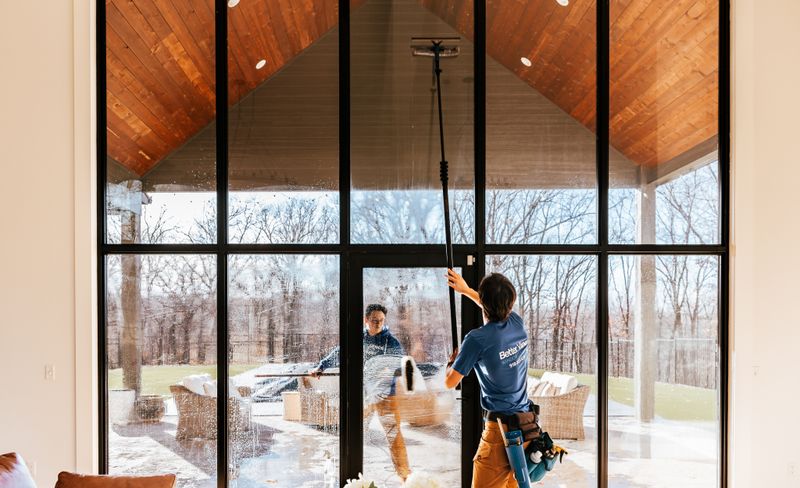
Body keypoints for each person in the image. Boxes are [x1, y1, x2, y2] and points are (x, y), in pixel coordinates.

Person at [444, 269, 534, 487]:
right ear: (510, 304)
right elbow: (490, 306)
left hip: (499, 433)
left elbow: (450, 382)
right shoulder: (517, 323)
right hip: (526, 427)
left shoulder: (477, 339)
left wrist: (452, 364)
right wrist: (466, 291)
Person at [309, 303, 411, 481]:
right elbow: (339, 353)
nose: (378, 324)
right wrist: (321, 366)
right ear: (366, 320)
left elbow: (398, 366)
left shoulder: (391, 342)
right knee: (352, 432)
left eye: (381, 321)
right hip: (362, 394)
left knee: (394, 436)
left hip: (385, 395)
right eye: (374, 320)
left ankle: (405, 477)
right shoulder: (357, 339)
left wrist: (386, 374)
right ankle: (351, 477)